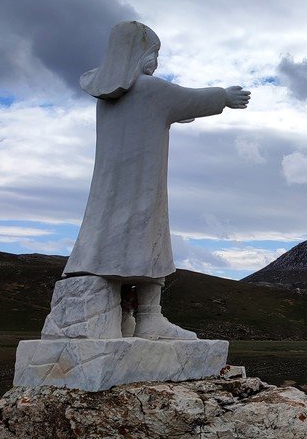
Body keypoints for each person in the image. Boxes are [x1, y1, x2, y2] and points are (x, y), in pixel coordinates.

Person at [64, 21, 250, 339]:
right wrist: (224, 96)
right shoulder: (149, 90)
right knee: (149, 243)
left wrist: (178, 111)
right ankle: (150, 319)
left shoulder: (106, 97)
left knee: (110, 248)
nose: (156, 61)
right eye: (154, 52)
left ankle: (120, 317)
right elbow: (185, 99)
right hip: (143, 184)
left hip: (108, 189)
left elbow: (171, 106)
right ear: (138, 53)